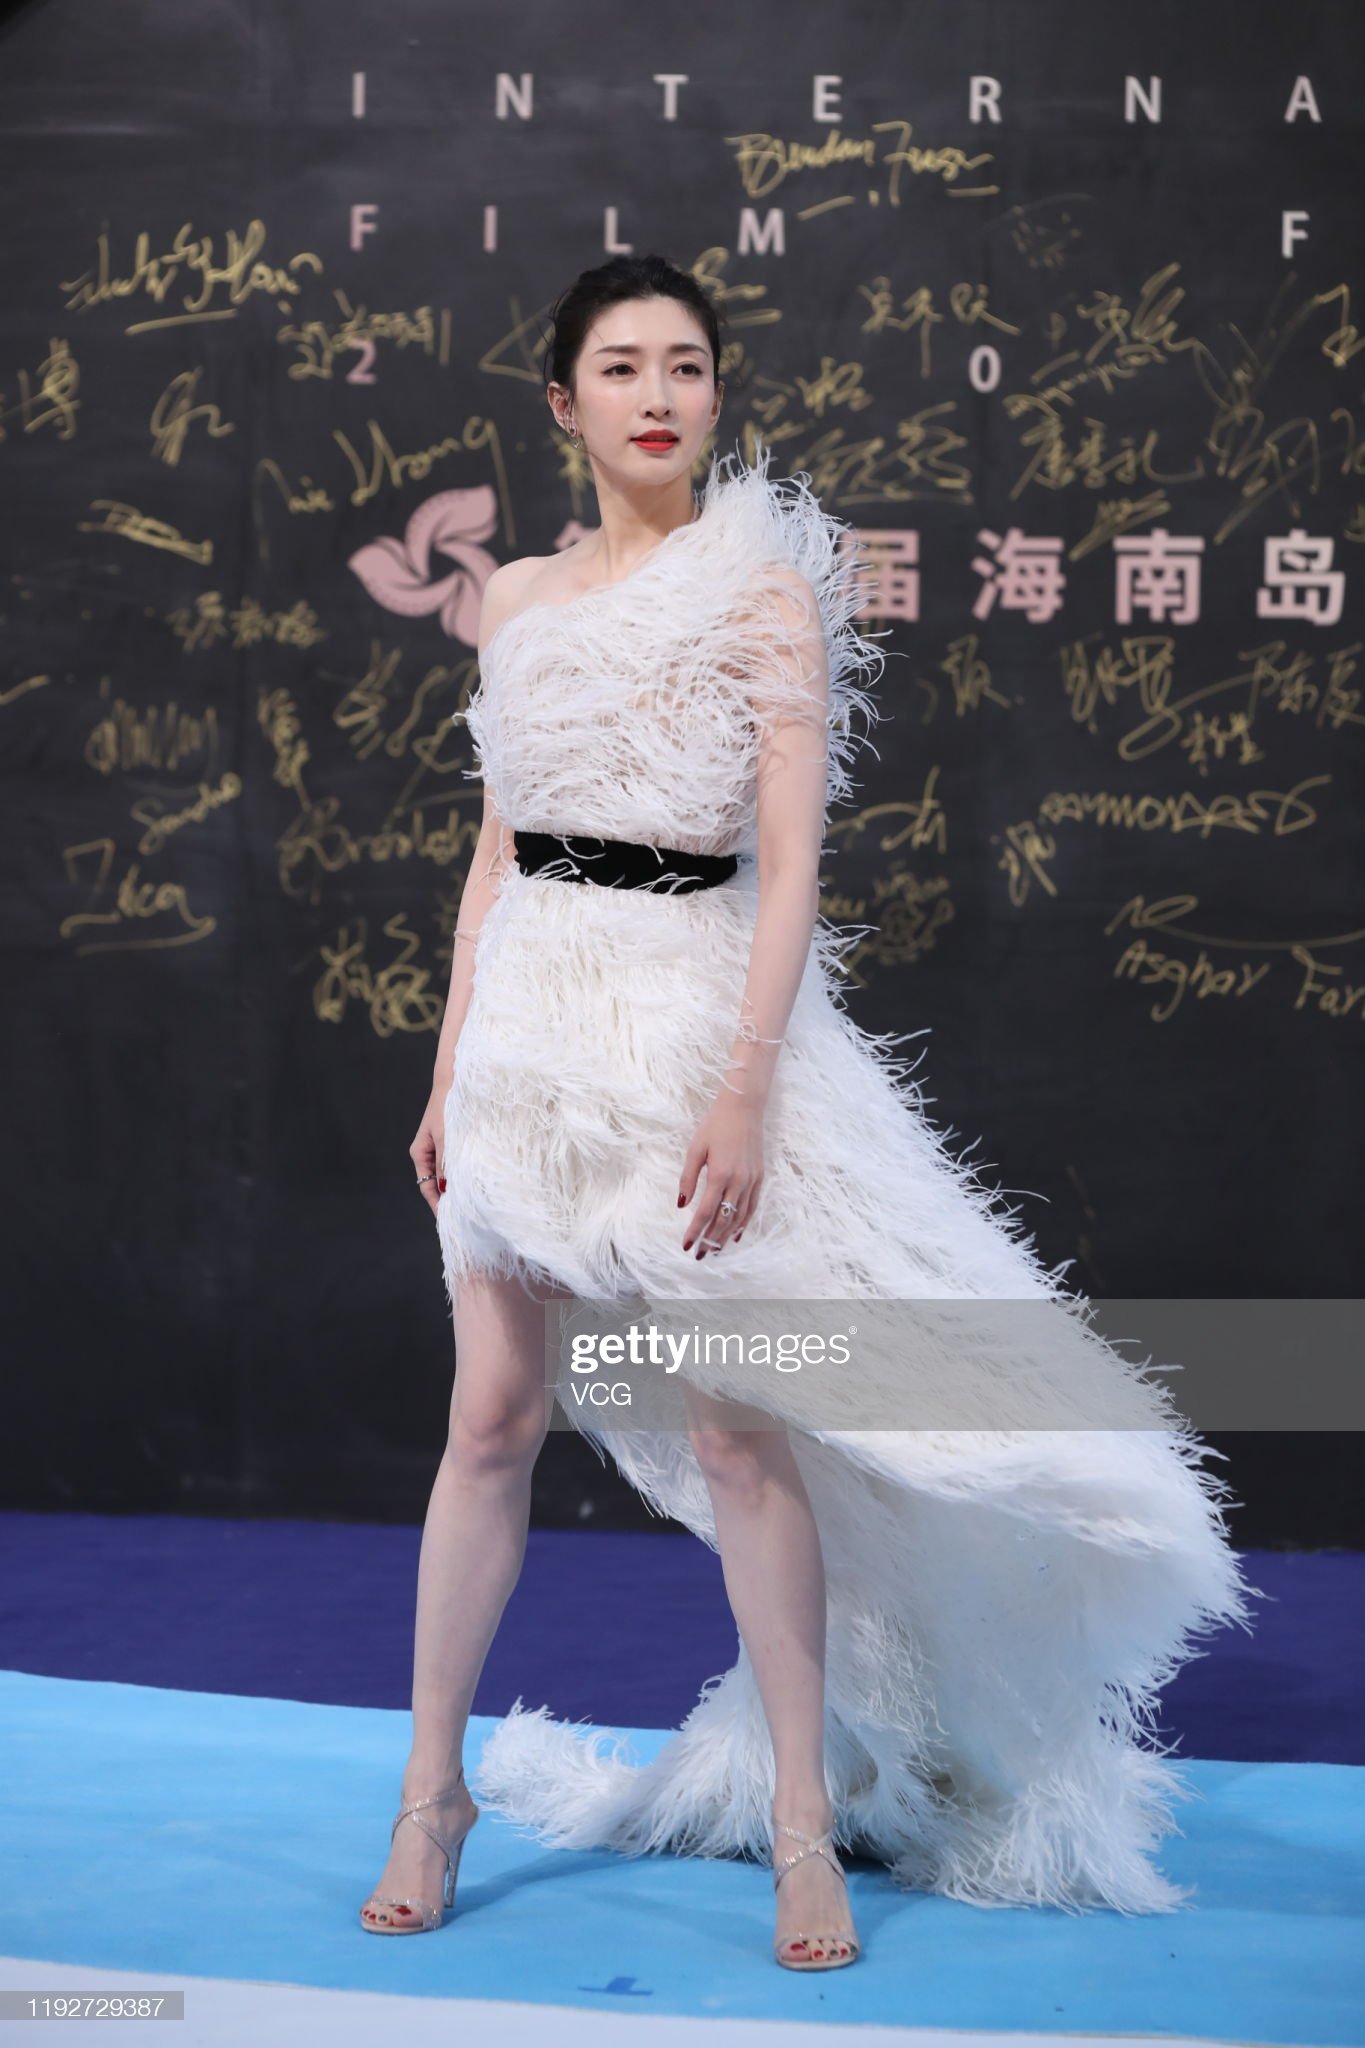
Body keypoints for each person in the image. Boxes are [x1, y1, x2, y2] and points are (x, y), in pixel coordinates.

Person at [359, 254, 1258, 1970]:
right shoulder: (517, 599)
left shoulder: (763, 593)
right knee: (488, 1418)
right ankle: (429, 1796)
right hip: (528, 1035)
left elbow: (789, 864)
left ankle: (795, 1822)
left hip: (687, 1019)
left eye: (685, 366)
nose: (655, 394)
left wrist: (745, 1087)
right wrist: (447, 1064)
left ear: (715, 396)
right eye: (620, 366)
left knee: (735, 1430)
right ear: (561, 402)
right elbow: (494, 852)